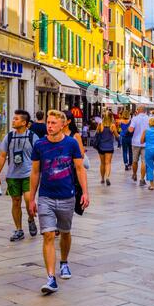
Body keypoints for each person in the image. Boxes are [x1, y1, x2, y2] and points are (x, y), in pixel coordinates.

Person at [29, 110, 89, 295]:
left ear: (62, 125)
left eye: (54, 122)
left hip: (67, 196)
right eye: (48, 122)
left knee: (65, 232)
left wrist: (85, 192)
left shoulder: (71, 143)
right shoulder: (39, 144)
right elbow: (35, 172)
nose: (49, 125)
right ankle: (50, 278)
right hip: (46, 197)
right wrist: (31, 198)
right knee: (48, 235)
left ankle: (64, 262)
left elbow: (79, 168)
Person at [0, 110, 39, 241]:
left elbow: (38, 157)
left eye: (16, 119)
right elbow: (2, 157)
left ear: (24, 122)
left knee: (27, 199)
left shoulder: (32, 137)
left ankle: (31, 219)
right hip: (13, 175)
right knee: (15, 202)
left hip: (28, 174)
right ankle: (19, 230)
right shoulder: (9, 137)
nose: (13, 121)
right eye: (13, 119)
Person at [96, 111, 119, 186]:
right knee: (108, 163)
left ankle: (102, 178)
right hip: (109, 147)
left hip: (101, 147)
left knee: (102, 163)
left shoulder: (100, 124)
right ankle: (107, 177)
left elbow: (97, 133)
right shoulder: (112, 125)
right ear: (111, 117)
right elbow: (116, 136)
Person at [128, 106, 149, 186]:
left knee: (135, 160)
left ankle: (134, 174)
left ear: (138, 111)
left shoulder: (135, 118)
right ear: (145, 111)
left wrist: (128, 128)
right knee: (144, 161)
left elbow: (131, 130)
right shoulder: (149, 118)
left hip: (136, 142)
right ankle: (142, 179)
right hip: (145, 142)